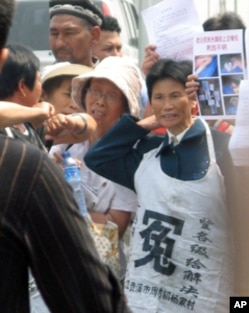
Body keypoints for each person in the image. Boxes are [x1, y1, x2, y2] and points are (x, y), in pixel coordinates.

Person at [0, 1, 131, 312]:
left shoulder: (34, 155)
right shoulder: (25, 163)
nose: (59, 43)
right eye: (53, 33)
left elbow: (89, 124)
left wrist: (71, 121)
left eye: (108, 95)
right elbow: (87, 293)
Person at [84, 58, 237, 312]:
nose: (167, 105)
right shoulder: (148, 154)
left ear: (192, 97)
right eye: (159, 97)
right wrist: (151, 122)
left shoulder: (222, 149)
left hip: (209, 297)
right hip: (149, 299)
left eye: (175, 95)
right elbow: (97, 157)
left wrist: (242, 303)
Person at [46, 56, 142, 280]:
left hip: (98, 269)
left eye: (111, 95)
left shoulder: (129, 156)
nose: (99, 101)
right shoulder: (67, 142)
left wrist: (63, 201)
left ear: (126, 106)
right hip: (57, 260)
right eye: (95, 91)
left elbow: (115, 225)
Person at [0, 43, 48, 151]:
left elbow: (87, 129)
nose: (42, 89)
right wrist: (39, 112)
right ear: (22, 86)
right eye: (39, 80)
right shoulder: (4, 131)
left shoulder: (30, 125)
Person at [49, 0, 103, 67]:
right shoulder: (42, 76)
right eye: (54, 34)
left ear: (94, 35)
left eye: (69, 34)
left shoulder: (109, 76)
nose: (59, 44)